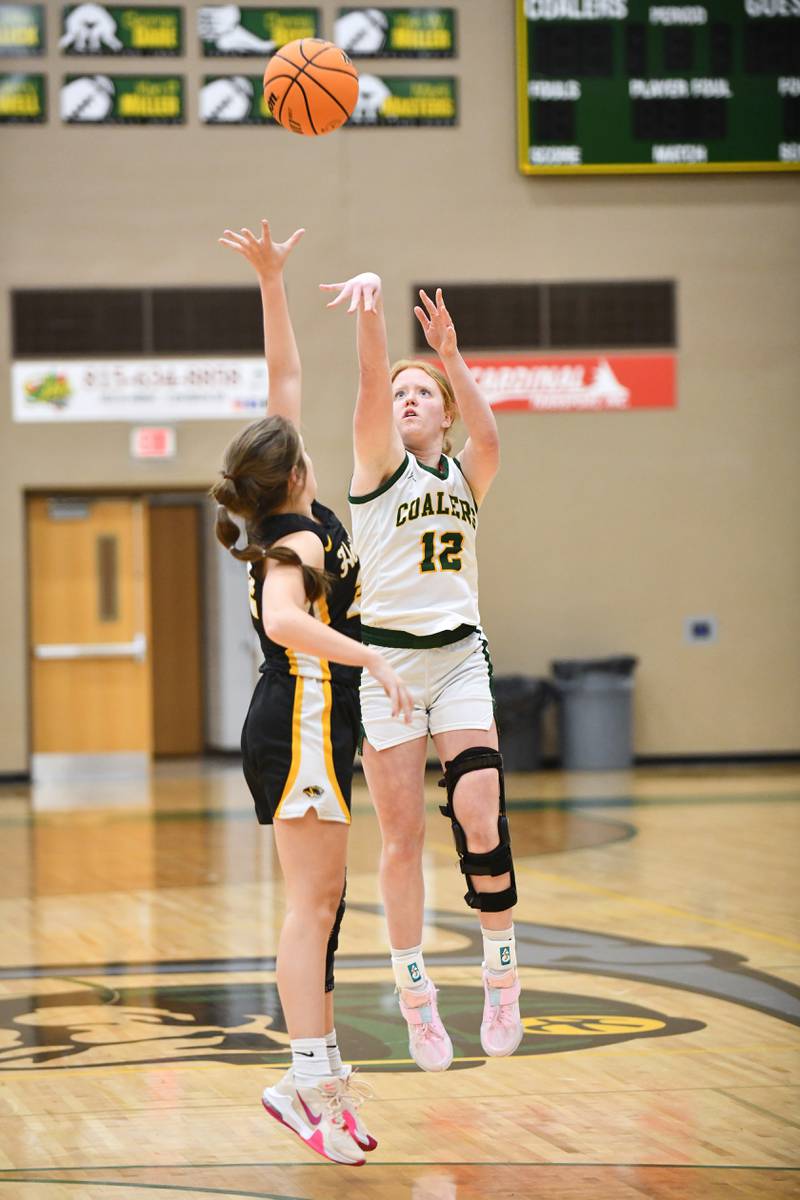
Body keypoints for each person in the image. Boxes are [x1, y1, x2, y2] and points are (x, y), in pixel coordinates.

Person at [211, 223, 412, 1165]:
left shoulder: (288, 508)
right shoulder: (290, 538)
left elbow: (280, 384)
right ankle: (303, 1077)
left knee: (323, 904)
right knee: (310, 907)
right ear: (292, 473)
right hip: (296, 718)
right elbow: (288, 622)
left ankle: (321, 1077)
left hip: (312, 724)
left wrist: (272, 281)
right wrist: (368, 660)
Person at [320, 272, 522, 1071]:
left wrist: (450, 355)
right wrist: (371, 312)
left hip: (459, 656)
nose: (405, 399)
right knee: (401, 838)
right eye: (400, 393)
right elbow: (371, 381)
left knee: (481, 813)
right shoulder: (377, 470)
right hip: (388, 665)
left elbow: (495, 441)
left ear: (442, 411)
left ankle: (502, 979)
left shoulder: (465, 476)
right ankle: (417, 1001)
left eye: (420, 393)